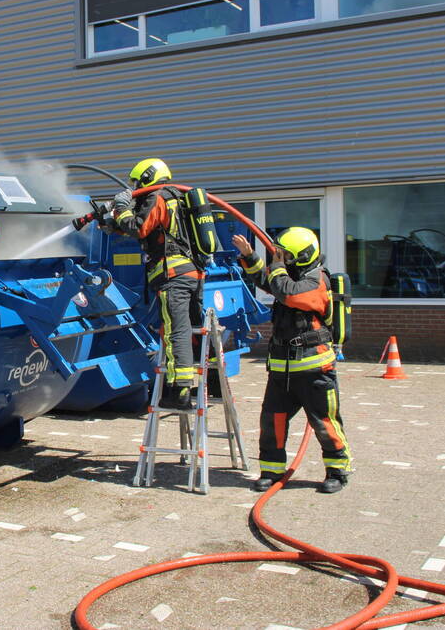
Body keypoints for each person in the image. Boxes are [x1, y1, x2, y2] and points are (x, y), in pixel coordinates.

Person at [231, 227, 352, 493]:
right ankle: (272, 471)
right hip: (282, 368)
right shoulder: (290, 275)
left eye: (285, 255)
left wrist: (275, 266)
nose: (280, 258)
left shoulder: (316, 281)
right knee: (272, 420)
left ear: (301, 256)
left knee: (324, 421)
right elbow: (269, 281)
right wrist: (250, 257)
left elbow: (286, 291)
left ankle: (337, 470)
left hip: (314, 368)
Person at [112, 158, 203, 410]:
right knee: (192, 327)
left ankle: (181, 392)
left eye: (137, 182)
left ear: (148, 177)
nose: (135, 186)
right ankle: (210, 382)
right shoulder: (177, 198)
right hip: (190, 272)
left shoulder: (159, 196)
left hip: (172, 275)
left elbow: (139, 227)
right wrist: (113, 223)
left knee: (177, 330)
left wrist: (121, 209)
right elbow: (153, 229)